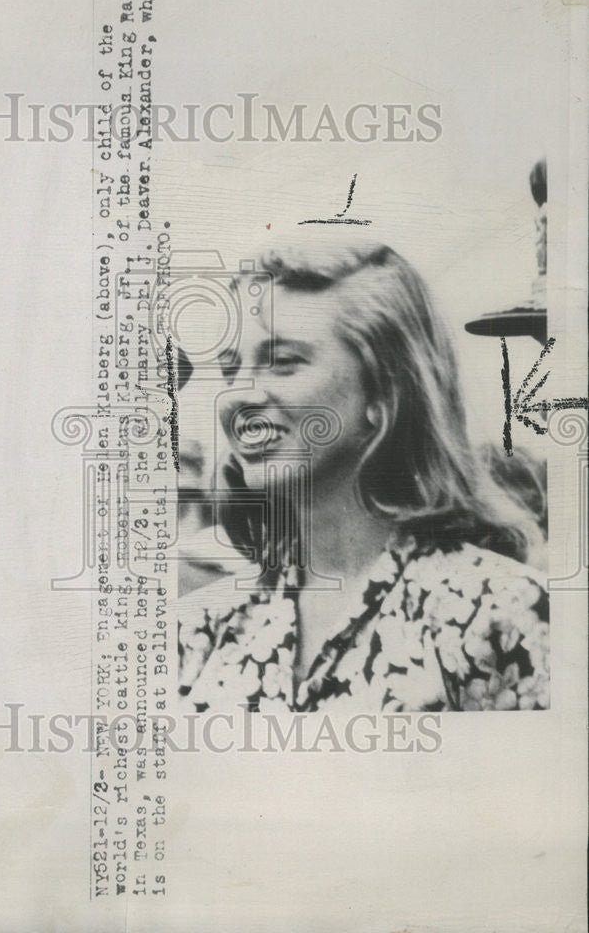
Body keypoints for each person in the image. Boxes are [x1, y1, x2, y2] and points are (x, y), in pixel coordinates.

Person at [178, 236, 549, 713]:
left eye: (284, 363)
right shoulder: (201, 629)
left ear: (385, 393)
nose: (236, 396)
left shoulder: (500, 613)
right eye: (231, 370)